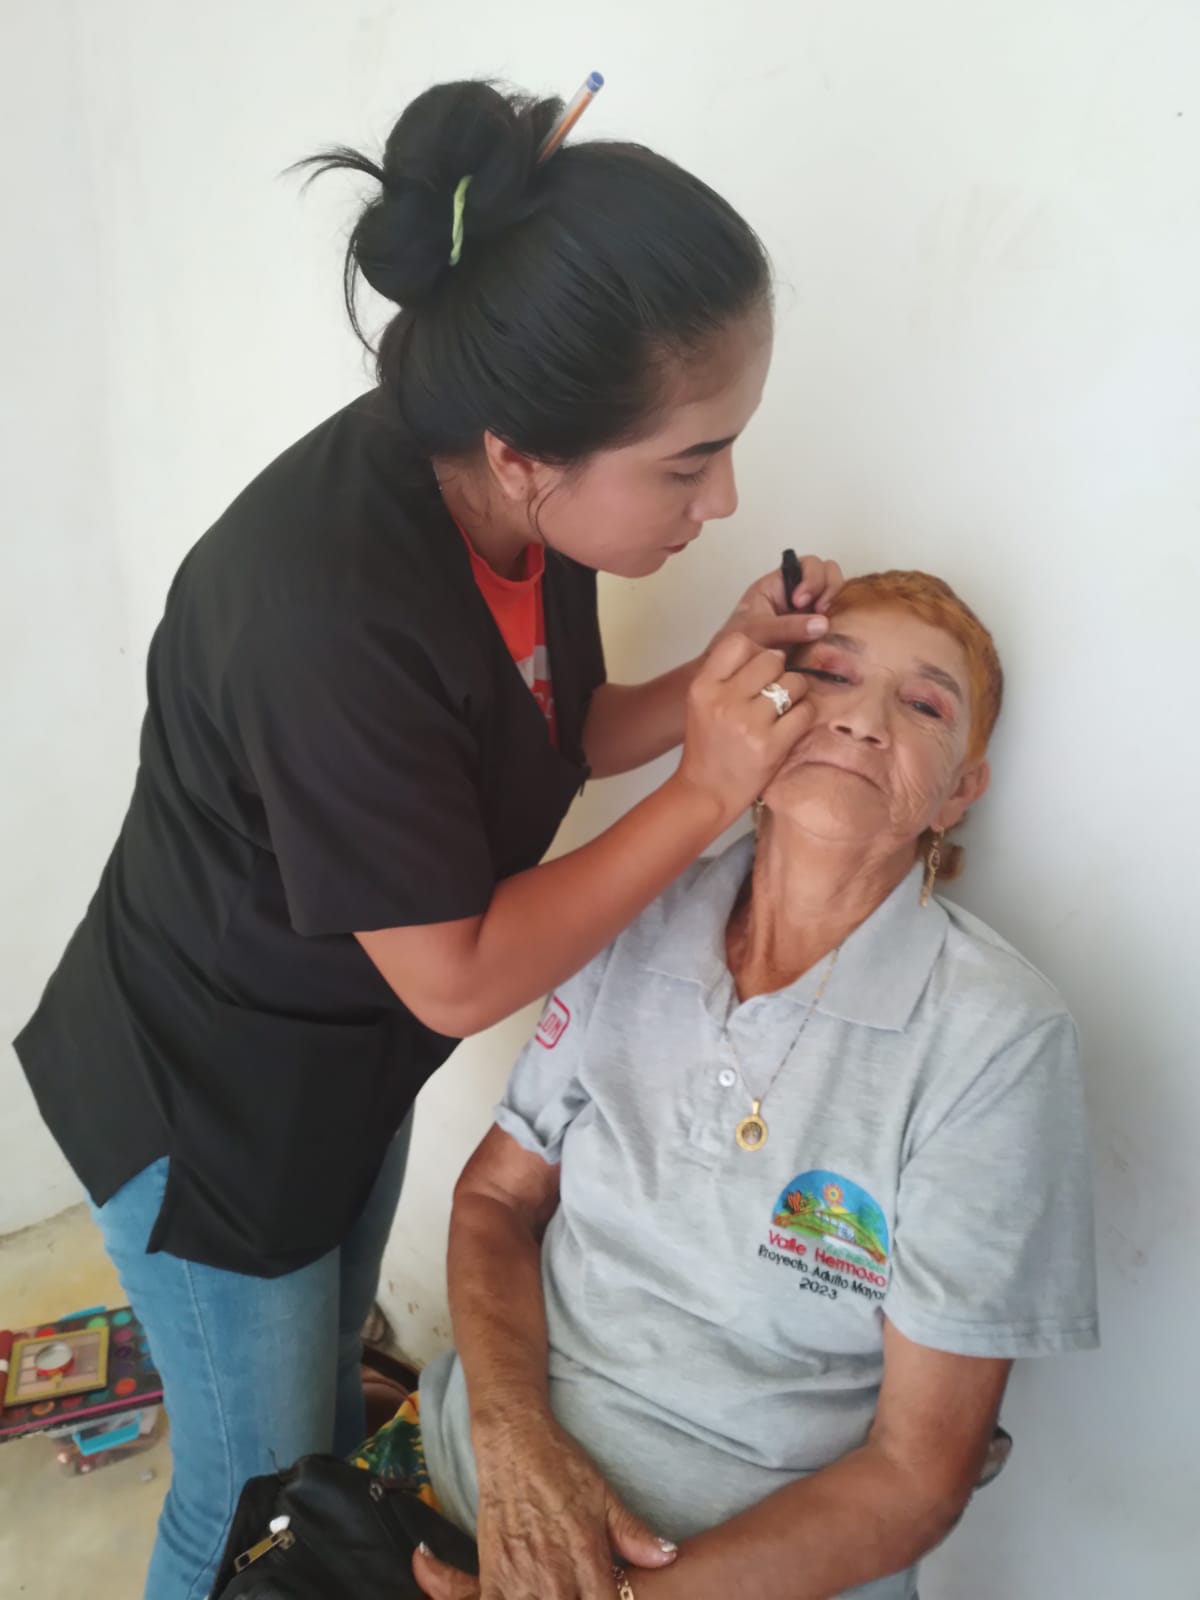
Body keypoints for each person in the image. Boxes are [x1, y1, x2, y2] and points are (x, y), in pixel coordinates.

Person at [13, 80, 844, 1600]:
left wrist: (711, 682)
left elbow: (550, 727)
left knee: (326, 1426)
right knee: (254, 1496)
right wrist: (707, 794)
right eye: (689, 461)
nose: (722, 501)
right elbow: (457, 975)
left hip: (340, 1057)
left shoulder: (515, 502)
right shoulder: (326, 610)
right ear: (527, 450)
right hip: (210, 1098)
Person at [355, 570, 1099, 1600]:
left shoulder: (997, 1039)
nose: (865, 720)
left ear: (960, 790)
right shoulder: (635, 912)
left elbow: (918, 1476)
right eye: (831, 674)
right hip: (470, 1481)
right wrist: (517, 1443)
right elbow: (495, 1198)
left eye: (925, 705)